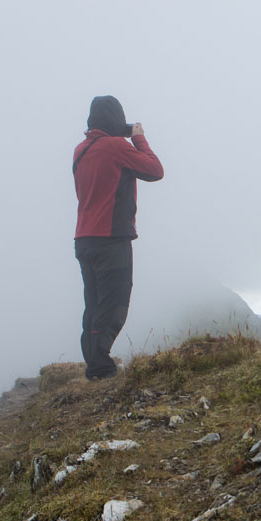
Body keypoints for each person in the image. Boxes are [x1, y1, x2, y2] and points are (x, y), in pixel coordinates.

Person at [72, 95, 164, 380]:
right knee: (114, 305)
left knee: (95, 303)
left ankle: (94, 363)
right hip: (110, 238)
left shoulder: (81, 149)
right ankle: (100, 367)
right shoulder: (115, 148)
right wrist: (138, 138)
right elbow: (155, 170)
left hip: (84, 239)